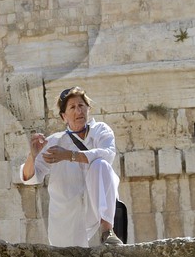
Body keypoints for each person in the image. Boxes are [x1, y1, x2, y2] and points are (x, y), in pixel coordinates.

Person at [20, 86, 124, 247]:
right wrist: (32, 156)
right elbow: (30, 178)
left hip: (94, 211)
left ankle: (107, 230)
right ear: (64, 116)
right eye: (72, 107)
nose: (78, 111)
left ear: (88, 109)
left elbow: (108, 154)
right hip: (67, 219)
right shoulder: (54, 142)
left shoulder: (100, 131)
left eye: (81, 106)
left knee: (100, 164)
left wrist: (69, 155)